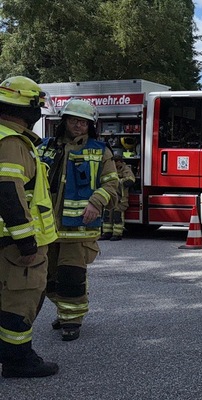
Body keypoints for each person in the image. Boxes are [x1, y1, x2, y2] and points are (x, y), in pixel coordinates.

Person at [38, 98, 119, 341]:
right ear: (64, 121)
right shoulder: (44, 147)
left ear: (90, 126)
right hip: (46, 226)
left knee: (71, 276)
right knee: (45, 277)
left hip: (78, 229)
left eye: (84, 122)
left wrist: (96, 201)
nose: (78, 126)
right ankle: (64, 310)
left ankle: (71, 320)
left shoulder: (100, 151)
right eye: (74, 120)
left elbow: (112, 184)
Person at [0, 76, 60, 377]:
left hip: (5, 239)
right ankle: (18, 360)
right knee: (19, 301)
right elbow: (8, 191)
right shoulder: (12, 142)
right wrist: (26, 241)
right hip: (14, 243)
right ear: (28, 109)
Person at [100, 151, 135, 241]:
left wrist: (118, 181)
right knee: (107, 214)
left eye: (115, 162)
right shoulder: (111, 168)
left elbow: (130, 180)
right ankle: (107, 233)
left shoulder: (125, 169)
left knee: (117, 215)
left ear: (119, 162)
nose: (114, 164)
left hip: (121, 198)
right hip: (110, 196)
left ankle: (117, 234)